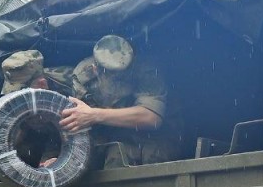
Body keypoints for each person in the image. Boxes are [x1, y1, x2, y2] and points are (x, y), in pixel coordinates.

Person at [58, 34, 176, 167]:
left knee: (151, 160)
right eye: (112, 74)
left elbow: (151, 118)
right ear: (96, 69)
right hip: (110, 133)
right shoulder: (84, 77)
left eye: (121, 74)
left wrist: (94, 115)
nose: (117, 77)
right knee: (109, 160)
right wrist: (62, 159)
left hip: (156, 134)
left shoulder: (146, 70)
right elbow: (75, 122)